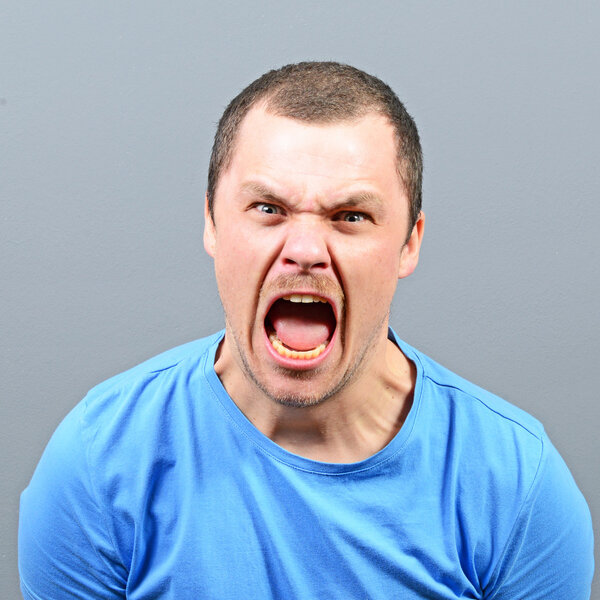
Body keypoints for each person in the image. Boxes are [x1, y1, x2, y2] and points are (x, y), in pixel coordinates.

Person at [19, 62, 593, 599]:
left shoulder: (518, 488)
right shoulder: (97, 464)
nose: (305, 252)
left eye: (351, 216)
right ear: (211, 223)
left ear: (409, 242)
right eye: (268, 208)